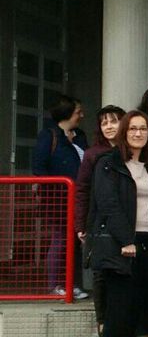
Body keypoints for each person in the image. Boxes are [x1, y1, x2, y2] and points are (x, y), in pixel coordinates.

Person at [90, 111, 148, 337]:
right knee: (118, 311)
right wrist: (125, 239)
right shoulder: (108, 163)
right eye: (133, 128)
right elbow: (108, 204)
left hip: (146, 242)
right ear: (123, 131)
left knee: (133, 311)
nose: (138, 133)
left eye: (143, 129)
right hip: (121, 246)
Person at [33, 94, 90, 300]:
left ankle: (72, 283)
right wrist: (59, 186)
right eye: (77, 112)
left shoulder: (80, 135)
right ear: (66, 114)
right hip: (58, 199)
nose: (82, 115)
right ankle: (56, 284)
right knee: (60, 238)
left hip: (79, 198)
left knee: (76, 239)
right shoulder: (49, 135)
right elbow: (38, 167)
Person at [76, 105, 125, 333]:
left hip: (127, 220)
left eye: (113, 121)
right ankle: (102, 321)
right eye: (104, 122)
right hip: (98, 222)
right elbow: (82, 190)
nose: (109, 126)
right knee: (100, 273)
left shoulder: (134, 150)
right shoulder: (92, 154)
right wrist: (80, 225)